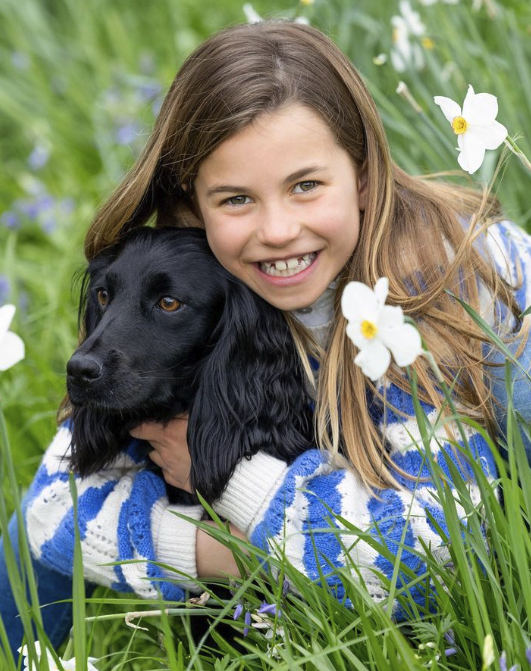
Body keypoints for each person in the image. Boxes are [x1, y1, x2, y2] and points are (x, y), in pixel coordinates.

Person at [2, 18, 531, 658]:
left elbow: (437, 555)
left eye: (305, 185)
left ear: (363, 175)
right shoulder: (213, 286)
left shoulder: (443, 285)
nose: (278, 231)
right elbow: (47, 516)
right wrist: (222, 550)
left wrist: (232, 491)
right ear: (194, 207)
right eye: (236, 199)